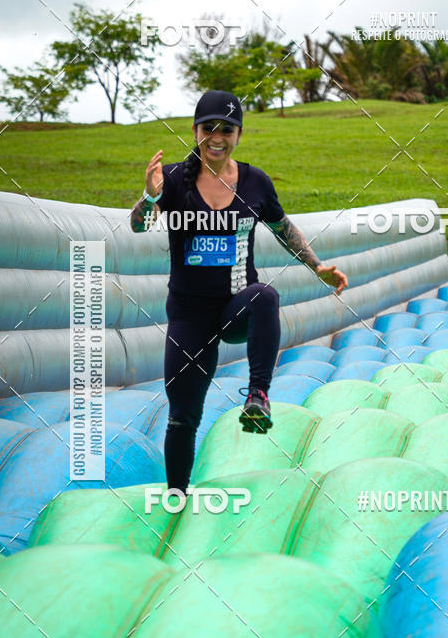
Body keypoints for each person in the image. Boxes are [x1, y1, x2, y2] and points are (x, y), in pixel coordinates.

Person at [130, 90, 348, 499]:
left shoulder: (255, 182)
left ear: (239, 134)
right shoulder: (173, 180)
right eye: (209, 128)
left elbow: (283, 229)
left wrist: (317, 266)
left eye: (227, 130)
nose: (217, 137)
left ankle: (258, 397)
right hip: (189, 317)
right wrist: (151, 196)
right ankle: (176, 496)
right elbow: (139, 226)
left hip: (235, 307)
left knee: (264, 295)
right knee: (182, 417)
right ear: (195, 131)